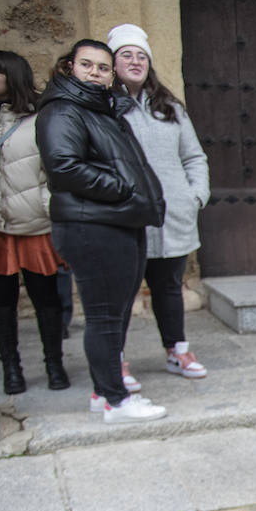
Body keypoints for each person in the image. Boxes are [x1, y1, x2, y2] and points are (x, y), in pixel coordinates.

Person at [37, 39, 167, 423]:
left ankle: (103, 390)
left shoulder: (101, 109)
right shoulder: (63, 109)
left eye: (103, 67)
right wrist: (123, 188)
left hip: (116, 222)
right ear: (69, 68)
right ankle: (115, 399)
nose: (95, 72)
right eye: (87, 64)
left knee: (116, 314)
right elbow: (63, 166)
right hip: (92, 225)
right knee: (105, 317)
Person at [108, 23, 211, 383]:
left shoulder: (169, 107)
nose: (135, 61)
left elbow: (194, 157)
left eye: (141, 56)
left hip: (171, 214)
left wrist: (194, 194)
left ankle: (176, 351)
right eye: (126, 55)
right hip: (124, 216)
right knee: (121, 291)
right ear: (113, 62)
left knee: (169, 288)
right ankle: (115, 362)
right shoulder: (103, 106)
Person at [0, 49, 69, 394]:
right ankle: (12, 369)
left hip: (35, 224)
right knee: (1, 300)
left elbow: (56, 167)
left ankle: (54, 365)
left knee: (46, 300)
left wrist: (46, 203)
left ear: (11, 76)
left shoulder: (42, 116)